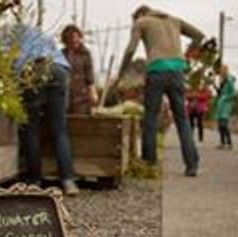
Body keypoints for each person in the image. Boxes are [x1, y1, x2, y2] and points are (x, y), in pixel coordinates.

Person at [116, 5, 204, 176]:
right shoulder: (174, 20)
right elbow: (199, 36)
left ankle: (149, 163)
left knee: (150, 117)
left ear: (139, 15)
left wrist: (121, 73)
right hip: (177, 72)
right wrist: (184, 55)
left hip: (156, 72)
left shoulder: (141, 22)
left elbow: (130, 50)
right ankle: (192, 165)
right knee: (182, 119)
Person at [8, 22, 79, 195]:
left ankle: (34, 180)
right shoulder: (40, 35)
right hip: (58, 70)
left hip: (33, 70)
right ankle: (68, 181)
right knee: (59, 129)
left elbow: (10, 70)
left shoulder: (9, 38)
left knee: (31, 127)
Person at [61, 24, 98, 114]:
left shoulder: (85, 54)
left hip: (81, 97)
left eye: (76, 37)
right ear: (65, 40)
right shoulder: (62, 54)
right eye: (70, 37)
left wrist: (93, 93)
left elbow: (89, 76)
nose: (74, 40)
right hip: (65, 96)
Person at [215, 65, 235, 149]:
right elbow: (220, 92)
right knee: (220, 124)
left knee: (224, 124)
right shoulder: (221, 81)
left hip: (227, 104)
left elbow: (233, 93)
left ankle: (229, 143)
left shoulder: (229, 81)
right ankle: (222, 143)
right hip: (220, 104)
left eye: (223, 70)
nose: (221, 72)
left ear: (226, 71)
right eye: (221, 71)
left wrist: (225, 97)